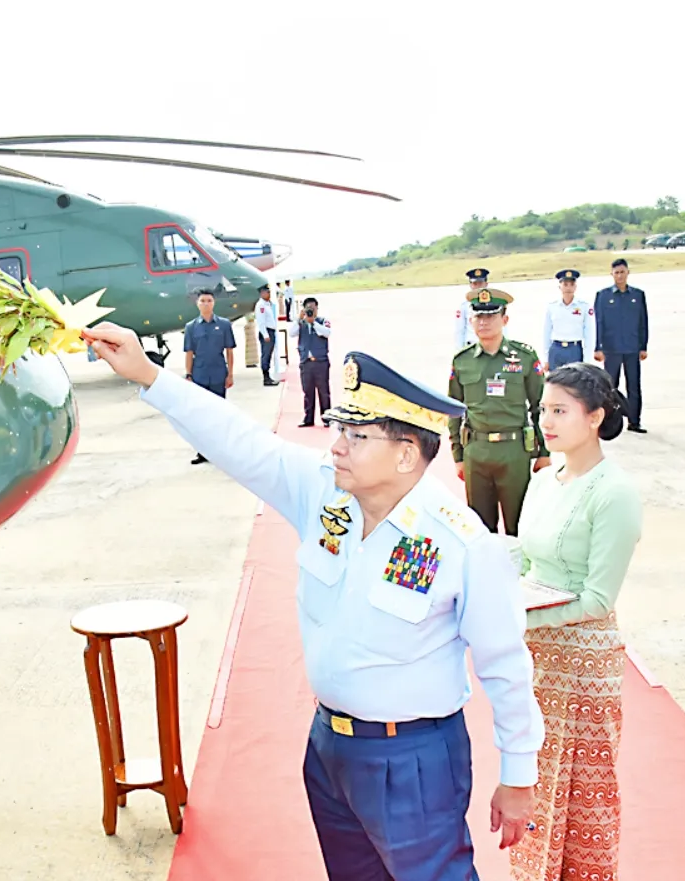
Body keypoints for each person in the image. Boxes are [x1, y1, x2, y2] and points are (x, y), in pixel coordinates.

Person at [82, 321, 544, 880]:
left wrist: (518, 774)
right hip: (329, 748)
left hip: (414, 757)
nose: (337, 446)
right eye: (339, 429)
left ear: (406, 455)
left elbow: (504, 665)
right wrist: (150, 375)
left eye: (357, 435)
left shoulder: (462, 544)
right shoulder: (327, 494)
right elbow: (238, 441)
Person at [508, 363, 643, 881]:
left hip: (586, 665)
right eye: (543, 409)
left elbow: (596, 599)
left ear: (595, 418)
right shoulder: (541, 481)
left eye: (560, 411)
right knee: (533, 789)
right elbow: (524, 559)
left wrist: (523, 617)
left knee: (587, 799)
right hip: (536, 660)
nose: (546, 420)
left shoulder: (614, 492)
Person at [449, 287, 551, 535]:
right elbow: (453, 409)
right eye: (478, 316)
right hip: (476, 452)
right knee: (480, 529)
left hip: (514, 452)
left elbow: (541, 406)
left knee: (519, 525)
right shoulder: (462, 361)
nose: (483, 322)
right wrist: (458, 455)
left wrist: (544, 452)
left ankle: (521, 574)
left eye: (491, 316)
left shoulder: (525, 357)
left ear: (504, 320)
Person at [592, 258, 648, 434]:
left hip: (632, 347)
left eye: (622, 272)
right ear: (611, 274)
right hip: (611, 348)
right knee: (609, 387)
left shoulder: (637, 295)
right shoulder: (603, 295)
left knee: (634, 386)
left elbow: (643, 322)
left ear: (628, 273)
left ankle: (634, 421)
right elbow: (599, 323)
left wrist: (643, 346)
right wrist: (598, 347)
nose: (620, 276)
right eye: (616, 272)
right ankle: (609, 421)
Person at [182, 288, 237, 464]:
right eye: (202, 301)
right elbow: (189, 353)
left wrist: (230, 374)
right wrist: (188, 375)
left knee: (220, 414)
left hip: (219, 374)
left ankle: (221, 450)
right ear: (197, 304)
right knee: (201, 416)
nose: (206, 304)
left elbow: (229, 351)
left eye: (209, 301)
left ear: (214, 303)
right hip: (200, 375)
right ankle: (203, 452)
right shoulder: (191, 327)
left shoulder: (224, 324)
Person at [288, 297, 331, 427]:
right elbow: (291, 333)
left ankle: (327, 418)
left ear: (317, 309)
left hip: (320, 362)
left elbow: (326, 333)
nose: (311, 311)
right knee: (308, 391)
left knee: (324, 391)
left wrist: (313, 323)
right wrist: (299, 319)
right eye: (308, 309)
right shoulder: (301, 323)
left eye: (313, 308)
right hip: (306, 362)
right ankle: (308, 418)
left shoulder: (323, 321)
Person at [541, 269, 594, 372]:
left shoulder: (584, 306)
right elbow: (546, 333)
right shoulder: (552, 306)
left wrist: (587, 361)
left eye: (571, 284)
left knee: (574, 383)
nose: (568, 288)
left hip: (574, 349)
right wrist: (545, 358)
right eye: (565, 284)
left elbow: (589, 334)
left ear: (576, 286)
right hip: (556, 349)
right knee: (555, 383)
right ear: (559, 286)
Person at [454, 268, 490, 350]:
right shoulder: (464, 305)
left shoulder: (496, 303)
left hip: (490, 347)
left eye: (480, 283)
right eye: (475, 284)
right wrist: (459, 352)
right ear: (470, 285)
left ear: (486, 284)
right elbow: (459, 331)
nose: (478, 286)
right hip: (471, 348)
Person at [254, 284, 280, 387]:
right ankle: (266, 378)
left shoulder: (267, 304)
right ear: (261, 293)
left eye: (269, 292)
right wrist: (265, 334)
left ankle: (268, 377)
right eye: (267, 292)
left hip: (270, 331)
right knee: (266, 355)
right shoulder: (261, 305)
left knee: (268, 354)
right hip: (267, 332)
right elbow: (261, 322)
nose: (269, 294)